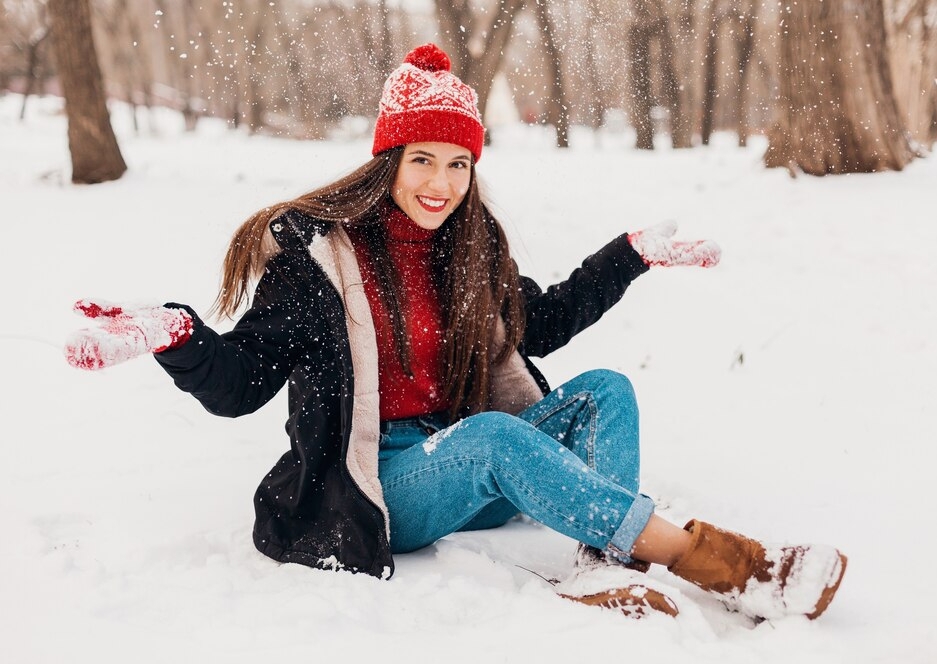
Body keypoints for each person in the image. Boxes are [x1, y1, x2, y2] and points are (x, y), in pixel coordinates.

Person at [65, 44, 846, 621]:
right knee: (492, 441)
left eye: (458, 165)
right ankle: (730, 565)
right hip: (382, 488)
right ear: (388, 161)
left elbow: (541, 322)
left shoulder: (467, 250)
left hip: (464, 465)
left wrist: (628, 257)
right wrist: (177, 336)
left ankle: (603, 567)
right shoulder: (317, 266)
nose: (441, 184)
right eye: (423, 161)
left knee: (606, 392)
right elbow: (241, 383)